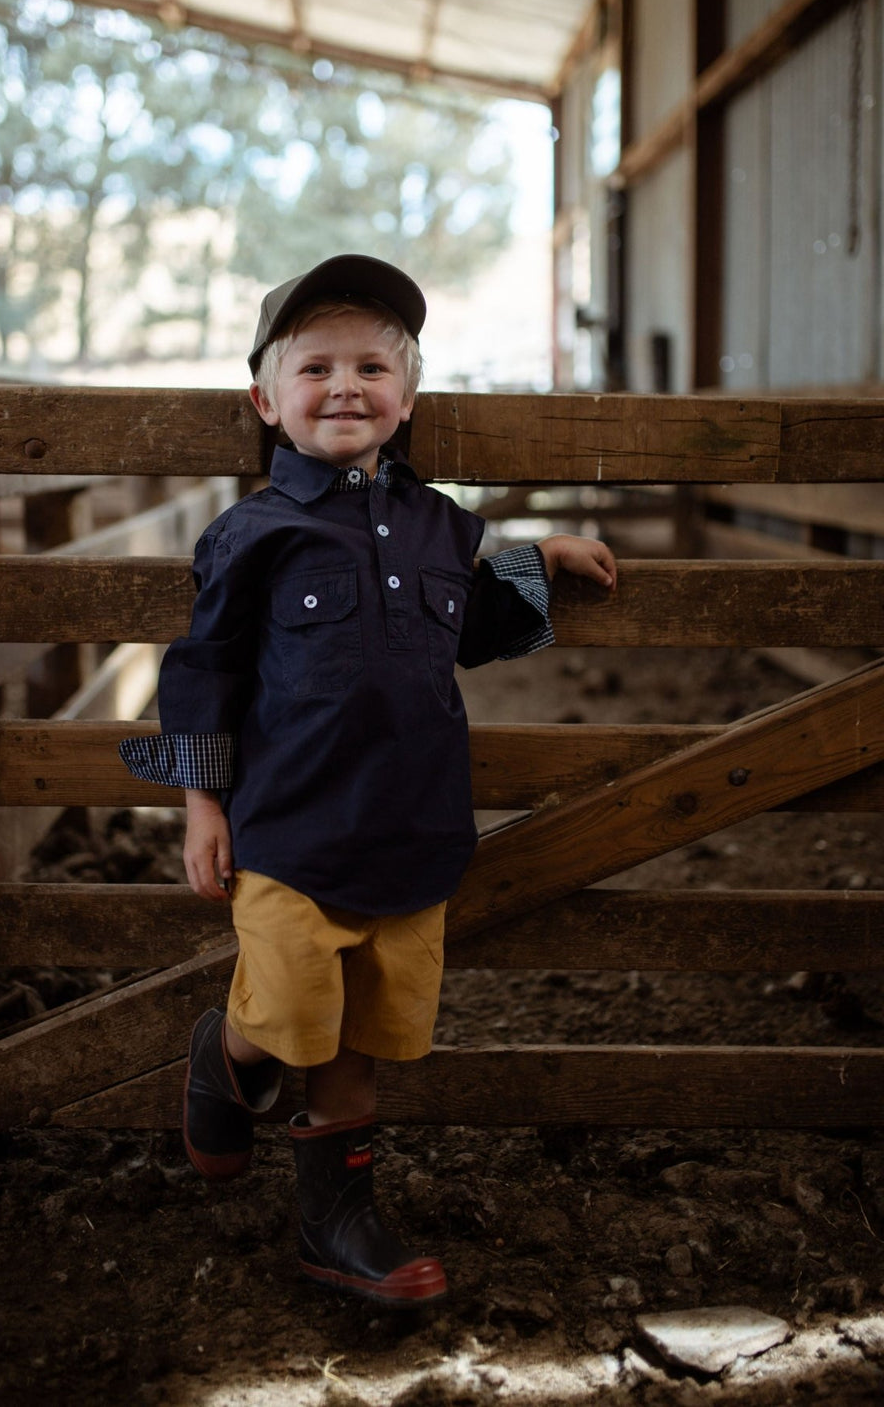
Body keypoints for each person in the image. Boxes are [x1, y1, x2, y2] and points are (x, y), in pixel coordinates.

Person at [120, 254, 616, 1306]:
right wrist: (201, 803)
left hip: (414, 827)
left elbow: (469, 626)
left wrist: (541, 558)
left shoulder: (445, 523)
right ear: (266, 397)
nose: (346, 385)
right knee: (294, 1001)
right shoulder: (250, 532)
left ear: (409, 392)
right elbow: (200, 669)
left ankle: (336, 1225)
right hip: (291, 830)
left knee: (363, 1030)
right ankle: (229, 1049)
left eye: (373, 365)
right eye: (317, 367)